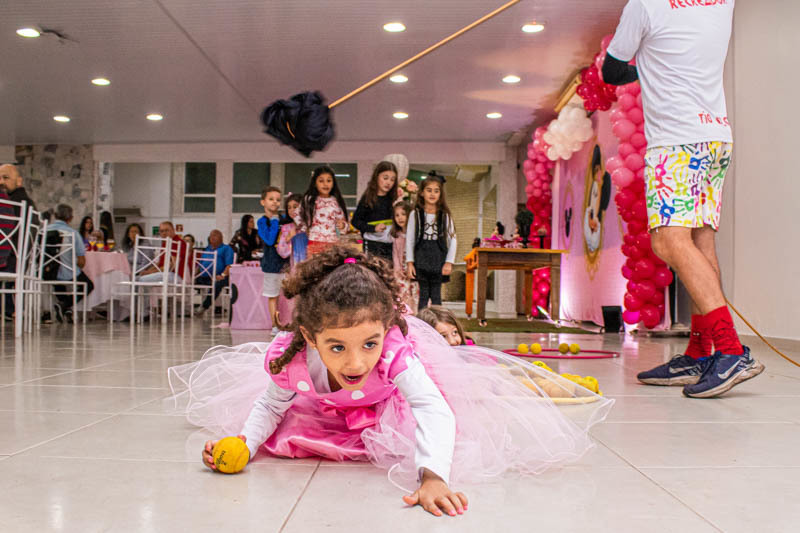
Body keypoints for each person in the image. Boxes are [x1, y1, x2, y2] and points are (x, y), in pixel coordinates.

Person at [166, 246, 612, 516]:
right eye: (336, 347)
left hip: (386, 406)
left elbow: (431, 407)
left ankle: (551, 385)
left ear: (387, 331)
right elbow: (270, 405)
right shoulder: (293, 360)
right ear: (310, 337)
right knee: (288, 424)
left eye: (369, 343)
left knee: (484, 387)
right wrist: (245, 443)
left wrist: (433, 475)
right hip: (330, 409)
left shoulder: (396, 353)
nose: (356, 362)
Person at [603, 0, 763, 398]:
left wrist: (648, 67)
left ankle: (730, 350)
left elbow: (612, 71)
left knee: (668, 241)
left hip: (675, 142)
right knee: (700, 242)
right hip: (715, 136)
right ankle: (698, 353)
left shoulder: (645, 5)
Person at [405, 172, 457, 311]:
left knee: (436, 295)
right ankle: (422, 322)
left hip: (438, 257)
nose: (432, 194)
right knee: (423, 295)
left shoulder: (445, 215)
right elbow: (410, 239)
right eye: (429, 190)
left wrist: (449, 262)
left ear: (440, 194)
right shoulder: (415, 214)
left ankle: (437, 322)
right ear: (422, 193)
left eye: (436, 191)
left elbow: (452, 239)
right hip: (421, 257)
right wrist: (410, 263)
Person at [46, 204, 94, 323]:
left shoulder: (43, 231)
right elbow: (81, 261)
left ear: (55, 215)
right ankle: (65, 305)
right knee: (88, 285)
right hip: (68, 272)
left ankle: (66, 309)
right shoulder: (73, 233)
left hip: (47, 272)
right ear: (70, 218)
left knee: (56, 278)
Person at [257, 187, 291, 335]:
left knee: (289, 295)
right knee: (273, 296)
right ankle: (275, 326)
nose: (275, 202)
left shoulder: (285, 218)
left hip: (286, 263)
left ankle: (289, 323)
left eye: (278, 200)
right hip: (271, 265)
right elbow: (270, 240)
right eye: (271, 199)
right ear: (263, 202)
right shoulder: (262, 222)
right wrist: (275, 221)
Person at [294, 166, 348, 256]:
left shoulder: (336, 201)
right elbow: (296, 214)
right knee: (314, 265)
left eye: (329, 181)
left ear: (333, 183)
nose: (325, 184)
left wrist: (342, 225)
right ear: (315, 183)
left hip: (333, 243)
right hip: (314, 242)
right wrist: (305, 228)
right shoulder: (309, 199)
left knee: (331, 265)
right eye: (321, 181)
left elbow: (343, 222)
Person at [351, 161, 399, 262]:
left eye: (392, 179)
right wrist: (373, 228)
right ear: (376, 177)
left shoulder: (394, 199)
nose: (388, 182)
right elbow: (355, 221)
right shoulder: (367, 199)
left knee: (388, 269)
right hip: (371, 243)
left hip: (390, 244)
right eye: (385, 178)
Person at [194, 230, 235, 316]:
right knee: (189, 281)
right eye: (211, 235)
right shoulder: (207, 249)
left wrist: (222, 275)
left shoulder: (226, 248)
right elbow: (199, 264)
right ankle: (186, 307)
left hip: (221, 276)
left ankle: (204, 306)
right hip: (205, 277)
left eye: (215, 235)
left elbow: (229, 265)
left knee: (218, 283)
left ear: (221, 238)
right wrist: (194, 275)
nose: (212, 237)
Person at [390, 201, 419, 314]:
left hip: (414, 271)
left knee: (416, 294)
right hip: (401, 272)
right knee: (402, 293)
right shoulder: (396, 236)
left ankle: (417, 316)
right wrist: (398, 270)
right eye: (397, 215)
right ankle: (404, 316)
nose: (400, 218)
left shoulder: (416, 234)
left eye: (403, 214)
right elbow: (395, 254)